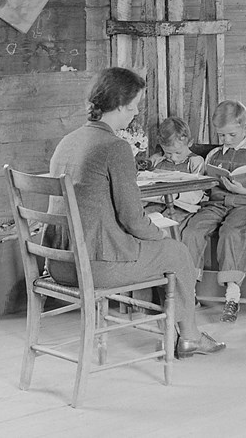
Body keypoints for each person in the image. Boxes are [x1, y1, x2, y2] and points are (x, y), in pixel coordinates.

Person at [47, 67, 224, 359]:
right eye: (135, 105)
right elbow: (132, 219)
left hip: (59, 264)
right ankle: (190, 336)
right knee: (176, 251)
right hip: (94, 266)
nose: (136, 112)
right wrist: (159, 236)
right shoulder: (115, 147)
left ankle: (178, 331)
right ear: (120, 105)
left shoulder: (68, 142)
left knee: (165, 248)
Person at [181, 100, 246, 323]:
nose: (225, 140)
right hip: (216, 203)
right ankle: (189, 291)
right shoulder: (213, 155)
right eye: (221, 135)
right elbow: (204, 186)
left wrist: (244, 190)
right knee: (193, 229)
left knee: (232, 232)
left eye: (231, 135)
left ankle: (232, 295)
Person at [145, 116, 207, 223]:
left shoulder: (195, 162)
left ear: (190, 143)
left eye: (178, 152)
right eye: (168, 153)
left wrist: (175, 195)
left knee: (169, 225)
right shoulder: (156, 160)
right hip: (156, 204)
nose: (173, 157)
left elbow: (197, 193)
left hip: (182, 207)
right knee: (142, 222)